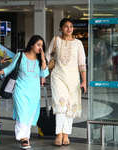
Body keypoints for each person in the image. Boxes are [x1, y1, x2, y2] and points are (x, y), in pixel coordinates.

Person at [0, 35, 49, 149]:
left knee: (29, 115)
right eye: (38, 45)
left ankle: (26, 137)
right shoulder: (20, 56)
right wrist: (0, 72)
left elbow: (44, 74)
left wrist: (43, 57)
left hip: (34, 92)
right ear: (32, 44)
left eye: (42, 46)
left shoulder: (40, 60)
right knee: (22, 112)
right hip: (20, 90)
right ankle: (23, 138)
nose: (40, 48)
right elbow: (10, 68)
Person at [45, 18, 86, 146]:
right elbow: (46, 56)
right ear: (61, 28)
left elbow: (82, 64)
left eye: (71, 26)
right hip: (58, 76)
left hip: (74, 78)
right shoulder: (55, 40)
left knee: (71, 105)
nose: (69, 29)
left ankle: (66, 133)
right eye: (66, 26)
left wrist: (84, 81)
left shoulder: (78, 43)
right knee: (60, 103)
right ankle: (59, 134)